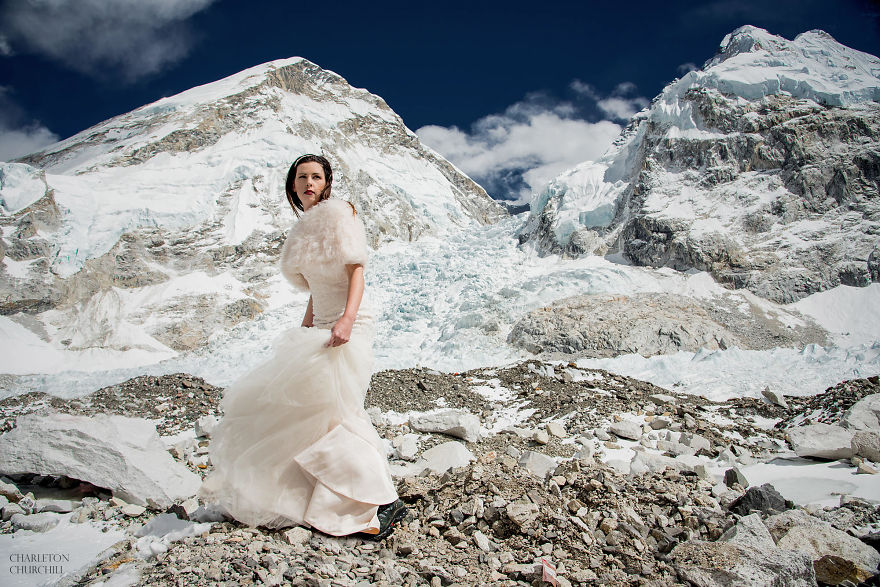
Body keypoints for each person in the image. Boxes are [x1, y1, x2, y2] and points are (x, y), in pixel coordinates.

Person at [200, 154, 406, 540]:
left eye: (316, 176)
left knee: (340, 411)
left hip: (350, 323)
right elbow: (315, 290)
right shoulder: (304, 227)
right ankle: (334, 497)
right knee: (312, 413)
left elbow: (356, 271)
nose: (309, 182)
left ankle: (380, 499)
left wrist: (346, 319)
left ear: (326, 182)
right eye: (302, 177)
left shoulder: (338, 213)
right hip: (321, 326)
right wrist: (306, 326)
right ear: (292, 185)